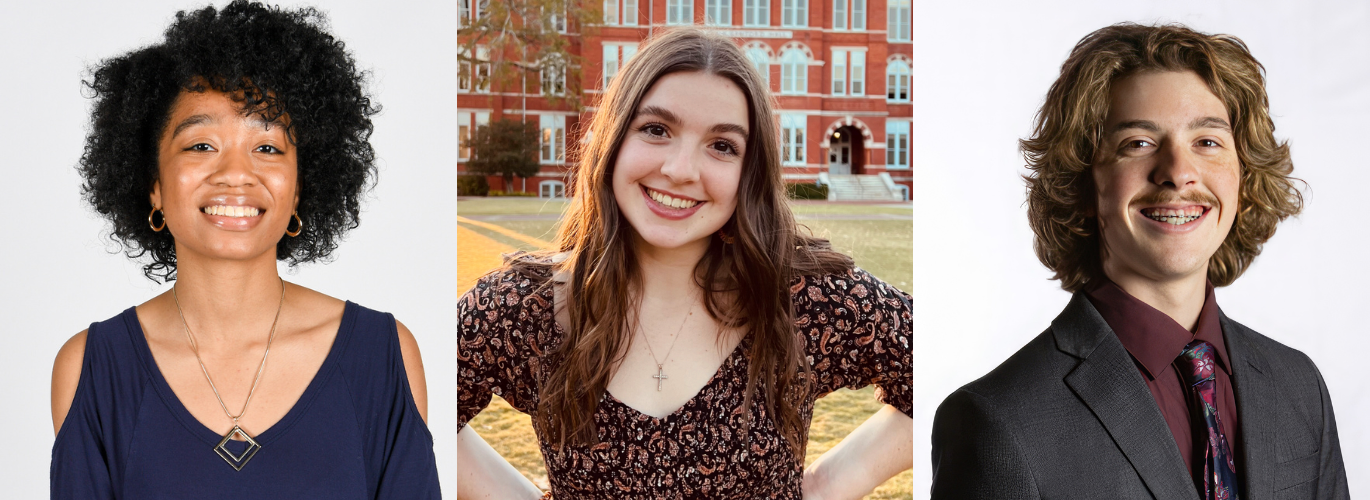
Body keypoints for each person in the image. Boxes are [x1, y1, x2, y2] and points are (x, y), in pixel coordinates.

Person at [456, 27, 913, 499]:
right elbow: (400, 406)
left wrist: (829, 483)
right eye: (656, 130)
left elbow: (946, 365)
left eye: (722, 146)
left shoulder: (804, 302)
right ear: (613, 139)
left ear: (748, 173)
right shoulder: (523, 307)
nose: (680, 170)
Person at [930, 23, 1348, 499]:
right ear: (1084, 184)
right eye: (1138, 143)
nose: (1178, 173)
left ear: (1243, 175)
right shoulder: (999, 423)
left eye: (1207, 142)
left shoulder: (1299, 387)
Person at [49, 2, 439, 498]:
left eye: (268, 147)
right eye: (201, 146)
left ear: (299, 188)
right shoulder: (91, 369)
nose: (235, 172)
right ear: (153, 186)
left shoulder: (384, 356)